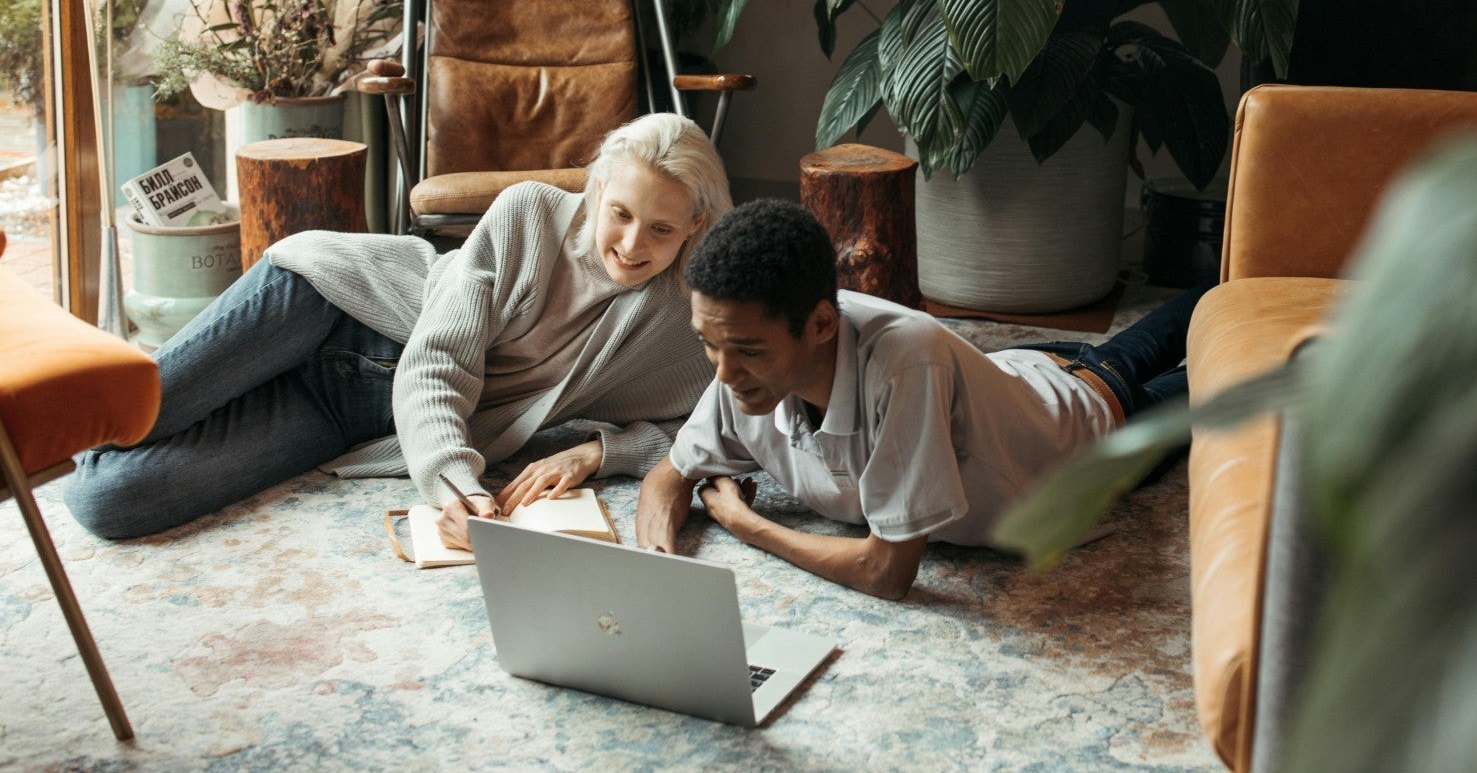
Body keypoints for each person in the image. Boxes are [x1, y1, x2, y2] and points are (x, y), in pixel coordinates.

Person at [66, 113, 731, 548]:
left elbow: (712, 427)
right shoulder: (529, 214)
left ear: (695, 226)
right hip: (325, 305)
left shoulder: (682, 323)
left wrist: (598, 453)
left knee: (109, 501)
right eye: (618, 213)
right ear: (594, 190)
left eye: (662, 229)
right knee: (126, 417)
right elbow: (437, 364)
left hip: (351, 413)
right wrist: (457, 484)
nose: (632, 243)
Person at [633, 199, 1207, 600]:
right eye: (708, 344)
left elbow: (887, 572)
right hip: (1014, 372)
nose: (724, 373)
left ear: (822, 324)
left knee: (1233, 352)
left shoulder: (905, 365)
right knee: (1192, 318)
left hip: (1091, 416)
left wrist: (745, 522)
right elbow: (672, 475)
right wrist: (653, 564)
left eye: (746, 351)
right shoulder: (743, 359)